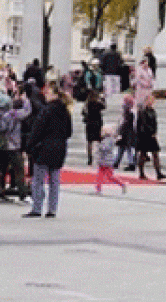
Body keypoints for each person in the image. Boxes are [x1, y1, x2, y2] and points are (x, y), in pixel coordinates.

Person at [24, 82, 73, 218]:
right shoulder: (66, 112)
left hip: (44, 147)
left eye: (48, 93)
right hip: (60, 147)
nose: (46, 95)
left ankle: (37, 208)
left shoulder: (46, 110)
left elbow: (37, 130)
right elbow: (69, 132)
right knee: (54, 181)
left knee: (38, 179)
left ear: (55, 95)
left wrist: (29, 145)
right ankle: (52, 209)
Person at [134, 94, 166, 181]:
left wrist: (155, 131)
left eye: (153, 100)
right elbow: (143, 124)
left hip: (151, 135)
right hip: (144, 135)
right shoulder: (142, 111)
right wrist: (150, 132)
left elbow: (155, 122)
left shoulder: (152, 111)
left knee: (155, 153)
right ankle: (141, 173)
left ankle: (158, 173)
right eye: (150, 100)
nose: (152, 102)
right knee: (143, 154)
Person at [94, 125, 127, 195]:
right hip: (103, 160)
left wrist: (99, 145)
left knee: (109, 176)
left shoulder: (108, 140)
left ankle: (122, 184)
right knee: (100, 175)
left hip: (106, 161)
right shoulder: (107, 139)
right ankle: (98, 189)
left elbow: (105, 148)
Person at [83, 88, 105, 166]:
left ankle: (90, 158)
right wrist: (102, 99)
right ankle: (100, 157)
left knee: (89, 141)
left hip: (89, 123)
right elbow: (104, 107)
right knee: (99, 140)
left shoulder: (87, 103)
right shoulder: (98, 103)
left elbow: (83, 112)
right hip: (97, 123)